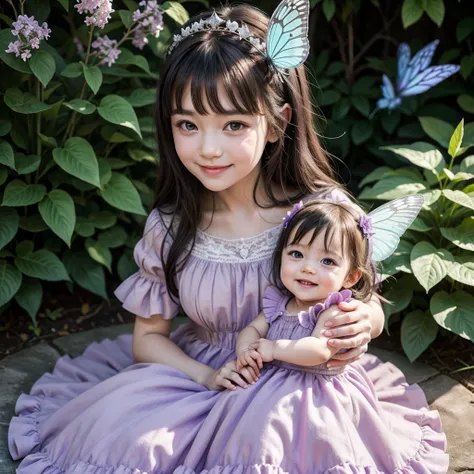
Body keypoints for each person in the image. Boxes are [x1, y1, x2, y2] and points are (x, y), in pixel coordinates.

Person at [8, 0, 447, 473]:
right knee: (133, 446)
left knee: (269, 443)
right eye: (188, 125)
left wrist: (365, 322)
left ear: (277, 122)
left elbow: (366, 299)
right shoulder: (173, 224)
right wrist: (206, 374)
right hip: (201, 379)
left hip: (303, 385)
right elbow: (148, 340)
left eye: (234, 124)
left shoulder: (322, 213)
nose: (209, 148)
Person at [222, 197, 447, 473]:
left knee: (300, 435)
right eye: (296, 254)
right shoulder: (279, 301)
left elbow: (318, 350)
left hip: (316, 391)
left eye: (327, 260)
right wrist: (246, 348)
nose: (308, 267)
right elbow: (253, 328)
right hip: (269, 383)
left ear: (350, 278)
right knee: (248, 426)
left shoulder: (331, 310)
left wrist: (273, 349)